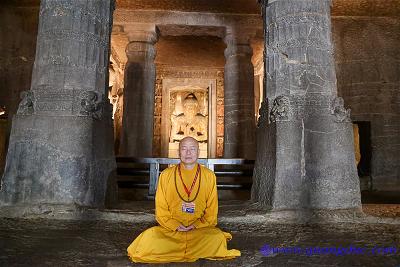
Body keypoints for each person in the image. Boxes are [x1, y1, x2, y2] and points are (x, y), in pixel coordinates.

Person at [127, 136, 241, 263]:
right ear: (178, 152)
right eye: (184, 149)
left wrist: (196, 225)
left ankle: (174, 251)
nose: (188, 153)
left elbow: (211, 212)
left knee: (216, 237)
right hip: (171, 231)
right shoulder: (166, 175)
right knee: (149, 237)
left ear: (198, 152)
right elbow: (161, 210)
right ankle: (191, 250)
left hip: (198, 230)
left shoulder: (209, 176)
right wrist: (175, 226)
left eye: (192, 149)